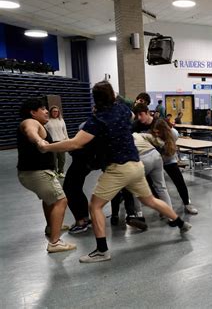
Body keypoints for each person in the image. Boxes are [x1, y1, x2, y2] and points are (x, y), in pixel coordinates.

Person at [38, 81, 191, 263]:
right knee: (149, 200)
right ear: (112, 96)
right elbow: (129, 109)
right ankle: (181, 223)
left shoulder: (98, 120)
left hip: (118, 168)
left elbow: (75, 143)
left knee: (95, 206)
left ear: (95, 99)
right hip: (136, 165)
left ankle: (102, 250)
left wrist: (47, 148)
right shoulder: (123, 111)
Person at [17, 98, 76, 253]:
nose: (46, 111)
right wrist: (39, 141)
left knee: (49, 200)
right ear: (32, 112)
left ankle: (52, 226)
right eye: (42, 108)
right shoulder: (30, 122)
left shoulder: (39, 123)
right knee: (61, 201)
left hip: (31, 173)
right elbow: (31, 132)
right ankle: (55, 243)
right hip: (38, 173)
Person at [153, 119, 198, 214]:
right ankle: (163, 207)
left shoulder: (173, 133)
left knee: (179, 181)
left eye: (159, 132)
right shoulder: (152, 136)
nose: (157, 134)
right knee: (158, 185)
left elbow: (173, 144)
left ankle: (187, 203)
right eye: (155, 132)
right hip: (157, 161)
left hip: (170, 160)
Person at [44, 105, 69, 178]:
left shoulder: (61, 120)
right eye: (54, 111)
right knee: (53, 159)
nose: (55, 113)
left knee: (62, 159)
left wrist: (67, 140)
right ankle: (54, 172)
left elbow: (65, 131)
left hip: (62, 142)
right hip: (52, 143)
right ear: (51, 112)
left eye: (57, 111)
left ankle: (61, 172)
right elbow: (45, 133)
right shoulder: (47, 121)